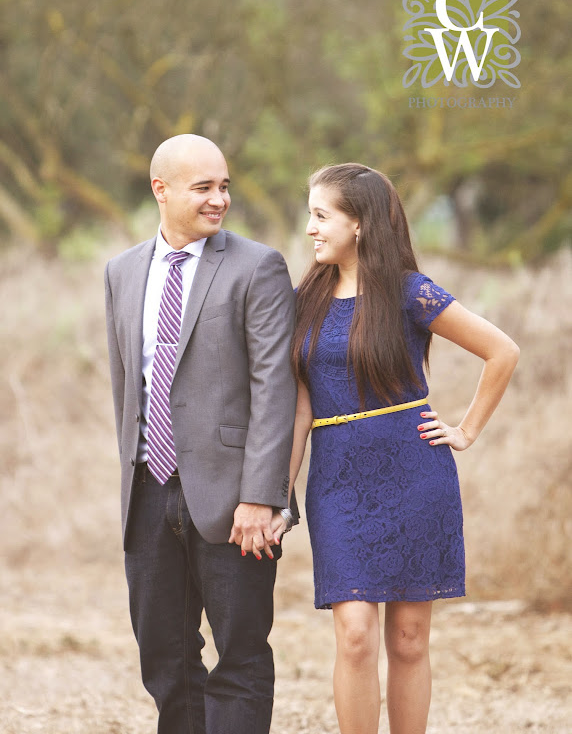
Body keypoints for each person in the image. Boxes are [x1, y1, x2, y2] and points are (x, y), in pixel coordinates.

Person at [283, 163, 520, 734]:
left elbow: (502, 351)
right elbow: (299, 408)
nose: (310, 228)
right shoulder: (303, 299)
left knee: (410, 640)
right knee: (356, 633)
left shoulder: (411, 292)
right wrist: (278, 491)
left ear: (359, 224)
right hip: (338, 480)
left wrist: (464, 430)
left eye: (321, 215)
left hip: (416, 476)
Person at [104, 134, 297, 734]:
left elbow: (276, 385)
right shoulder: (121, 271)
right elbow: (125, 385)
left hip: (234, 499)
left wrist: (263, 496)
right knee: (165, 658)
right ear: (161, 190)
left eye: (225, 186)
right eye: (204, 188)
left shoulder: (257, 266)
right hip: (147, 491)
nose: (220, 200)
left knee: (240, 657)